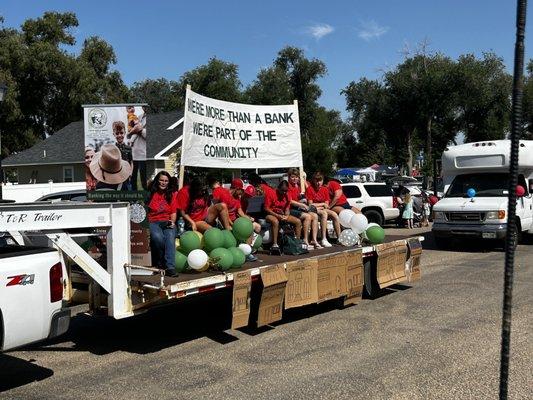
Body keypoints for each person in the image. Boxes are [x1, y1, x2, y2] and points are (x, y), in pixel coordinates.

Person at [147, 171, 178, 277]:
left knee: (170, 237)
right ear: (157, 180)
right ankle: (159, 263)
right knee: (157, 238)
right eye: (161, 180)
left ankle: (170, 267)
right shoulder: (150, 193)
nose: (163, 183)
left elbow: (173, 212)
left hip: (167, 221)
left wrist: (172, 222)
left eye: (166, 181)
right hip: (153, 221)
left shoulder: (172, 194)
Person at [264, 180, 302, 254]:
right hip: (270, 214)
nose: (284, 192)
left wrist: (286, 216)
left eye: (286, 191)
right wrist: (277, 215)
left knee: (298, 221)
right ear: (278, 188)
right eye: (282, 190)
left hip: (282, 214)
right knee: (275, 221)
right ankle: (275, 244)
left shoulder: (287, 195)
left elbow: (287, 207)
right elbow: (266, 208)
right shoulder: (271, 193)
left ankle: (297, 242)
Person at [287, 168, 321, 250]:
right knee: (307, 216)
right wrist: (301, 204)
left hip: (298, 208)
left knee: (315, 216)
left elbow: (307, 192)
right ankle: (305, 240)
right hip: (290, 209)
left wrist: (303, 201)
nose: (295, 179)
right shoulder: (288, 186)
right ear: (289, 177)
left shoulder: (298, 186)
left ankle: (313, 239)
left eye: (296, 177)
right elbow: (290, 201)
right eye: (293, 177)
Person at [306, 172, 341, 247]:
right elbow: (310, 205)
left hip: (320, 208)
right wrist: (322, 204)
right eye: (317, 181)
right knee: (324, 214)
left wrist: (321, 206)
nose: (318, 183)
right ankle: (324, 238)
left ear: (323, 180)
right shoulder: (310, 189)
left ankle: (339, 238)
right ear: (313, 180)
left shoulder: (325, 189)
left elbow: (327, 204)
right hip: (313, 210)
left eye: (320, 181)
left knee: (334, 215)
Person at [126, 106, 148, 191]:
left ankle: (145, 196)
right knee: (133, 176)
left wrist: (141, 130)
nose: (144, 108)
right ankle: (134, 195)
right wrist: (131, 140)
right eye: (143, 106)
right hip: (135, 152)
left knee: (143, 177)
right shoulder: (139, 117)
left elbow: (146, 134)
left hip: (144, 154)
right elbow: (134, 131)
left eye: (146, 106)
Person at [112, 120, 133, 190]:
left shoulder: (129, 148)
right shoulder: (112, 149)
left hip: (127, 177)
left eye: (121, 133)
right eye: (117, 133)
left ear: (125, 133)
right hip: (116, 176)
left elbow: (131, 162)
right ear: (114, 134)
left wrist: (130, 174)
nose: (119, 135)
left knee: (128, 193)